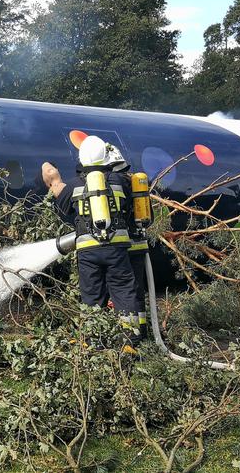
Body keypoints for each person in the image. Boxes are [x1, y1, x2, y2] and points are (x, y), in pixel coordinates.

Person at [41, 136, 141, 346]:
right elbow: (133, 204)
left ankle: (95, 341)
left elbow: (62, 206)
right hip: (116, 249)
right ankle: (131, 340)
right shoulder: (121, 182)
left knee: (92, 296)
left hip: (88, 253)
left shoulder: (74, 186)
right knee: (124, 290)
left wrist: (54, 180)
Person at [103, 144, 150, 340]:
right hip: (139, 246)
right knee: (136, 293)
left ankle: (123, 336)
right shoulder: (136, 183)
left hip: (120, 247)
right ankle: (140, 335)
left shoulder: (110, 184)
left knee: (118, 293)